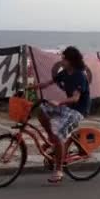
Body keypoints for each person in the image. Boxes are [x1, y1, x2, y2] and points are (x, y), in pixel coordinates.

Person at [31, 46, 90, 183]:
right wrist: (34, 87)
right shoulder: (65, 72)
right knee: (41, 109)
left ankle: (58, 169)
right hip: (67, 107)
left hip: (77, 110)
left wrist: (59, 102)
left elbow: (75, 98)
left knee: (58, 134)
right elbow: (49, 82)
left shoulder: (79, 75)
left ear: (71, 60)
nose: (61, 60)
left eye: (64, 58)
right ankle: (52, 139)